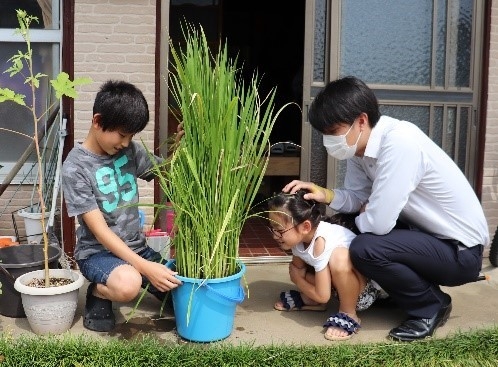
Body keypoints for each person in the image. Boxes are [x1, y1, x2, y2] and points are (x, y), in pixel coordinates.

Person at [284, 76, 490, 342]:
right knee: (351, 226)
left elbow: (378, 223)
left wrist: (360, 216)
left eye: (333, 131)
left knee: (364, 247)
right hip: (426, 238)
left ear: (361, 120)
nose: (328, 140)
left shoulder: (400, 143)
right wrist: (326, 194)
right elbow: (359, 198)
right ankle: (394, 290)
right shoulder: (361, 150)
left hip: (460, 251)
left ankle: (431, 306)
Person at [61, 80, 182, 332]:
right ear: (97, 121)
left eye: (131, 136)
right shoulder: (75, 167)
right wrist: (146, 267)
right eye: (122, 134)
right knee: (129, 284)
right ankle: (98, 292)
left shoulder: (129, 152)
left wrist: (180, 148)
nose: (126, 143)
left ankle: (138, 275)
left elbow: (165, 170)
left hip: (138, 249)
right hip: (98, 254)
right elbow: (101, 233)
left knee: (182, 295)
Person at [268, 190, 382, 341]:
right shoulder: (297, 239)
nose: (275, 236)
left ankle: (348, 312)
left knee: (339, 257)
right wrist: (302, 279)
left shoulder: (320, 241)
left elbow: (322, 294)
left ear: (305, 227)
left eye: (280, 231)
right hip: (339, 288)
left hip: (363, 293)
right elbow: (298, 269)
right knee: (312, 271)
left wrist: (298, 280)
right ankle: (312, 300)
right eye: (273, 229)